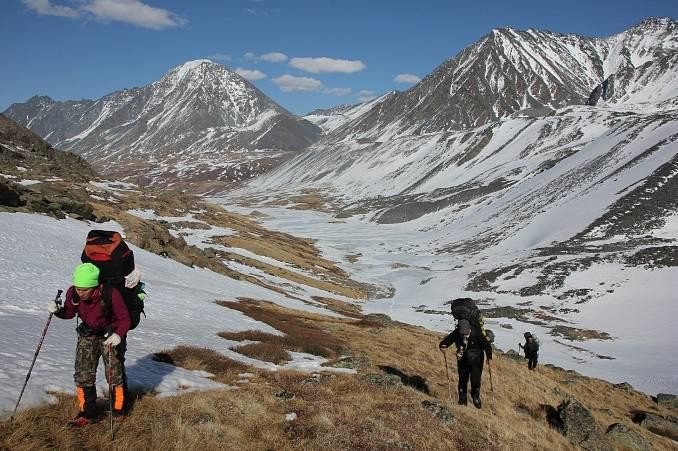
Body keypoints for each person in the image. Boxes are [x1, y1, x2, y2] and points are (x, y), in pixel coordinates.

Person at [48, 262, 131, 426]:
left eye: (84, 289)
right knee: (82, 373)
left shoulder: (110, 294)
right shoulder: (73, 293)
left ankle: (118, 410)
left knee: (114, 374)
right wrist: (57, 311)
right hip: (87, 334)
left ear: (95, 286)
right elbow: (69, 313)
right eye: (78, 287)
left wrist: (118, 335)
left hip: (110, 335)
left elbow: (125, 319)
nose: (80, 292)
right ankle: (87, 412)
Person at [439, 319, 493, 408]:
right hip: (462, 359)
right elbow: (446, 341)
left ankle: (475, 396)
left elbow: (487, 345)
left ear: (469, 328)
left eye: (466, 332)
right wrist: (443, 346)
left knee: (475, 379)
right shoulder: (456, 333)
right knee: (463, 380)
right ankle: (462, 401)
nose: (464, 334)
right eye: (462, 333)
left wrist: (489, 358)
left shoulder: (477, 333)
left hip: (477, 359)